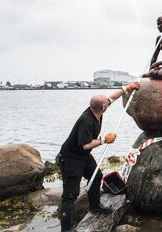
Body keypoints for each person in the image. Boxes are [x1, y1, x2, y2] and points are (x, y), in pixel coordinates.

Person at [57, 81, 140, 232]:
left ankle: (95, 207)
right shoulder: (87, 121)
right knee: (70, 196)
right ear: (101, 107)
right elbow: (85, 145)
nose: (109, 103)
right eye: (106, 103)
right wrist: (103, 140)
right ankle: (66, 229)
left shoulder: (97, 110)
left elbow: (111, 98)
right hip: (70, 158)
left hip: (82, 156)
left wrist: (126, 89)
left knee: (96, 176)